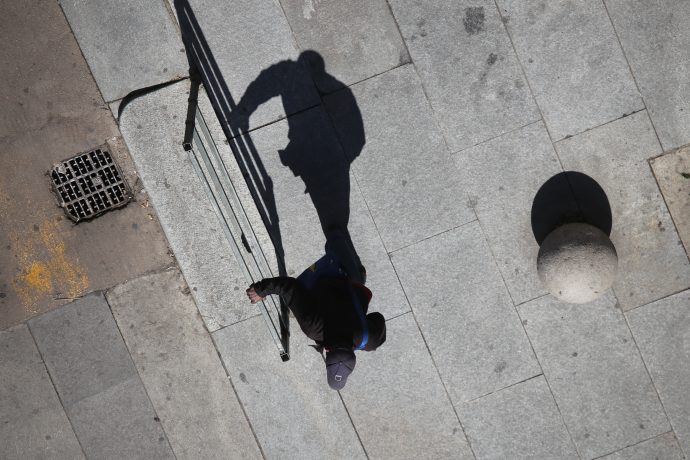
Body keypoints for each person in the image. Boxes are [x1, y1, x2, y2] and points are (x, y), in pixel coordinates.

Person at [246, 227, 386, 390]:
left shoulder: (370, 340)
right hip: (326, 275)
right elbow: (290, 287)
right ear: (327, 354)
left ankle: (350, 261)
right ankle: (335, 234)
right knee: (334, 234)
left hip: (352, 285)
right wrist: (260, 290)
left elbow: (378, 318)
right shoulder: (313, 327)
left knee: (357, 275)